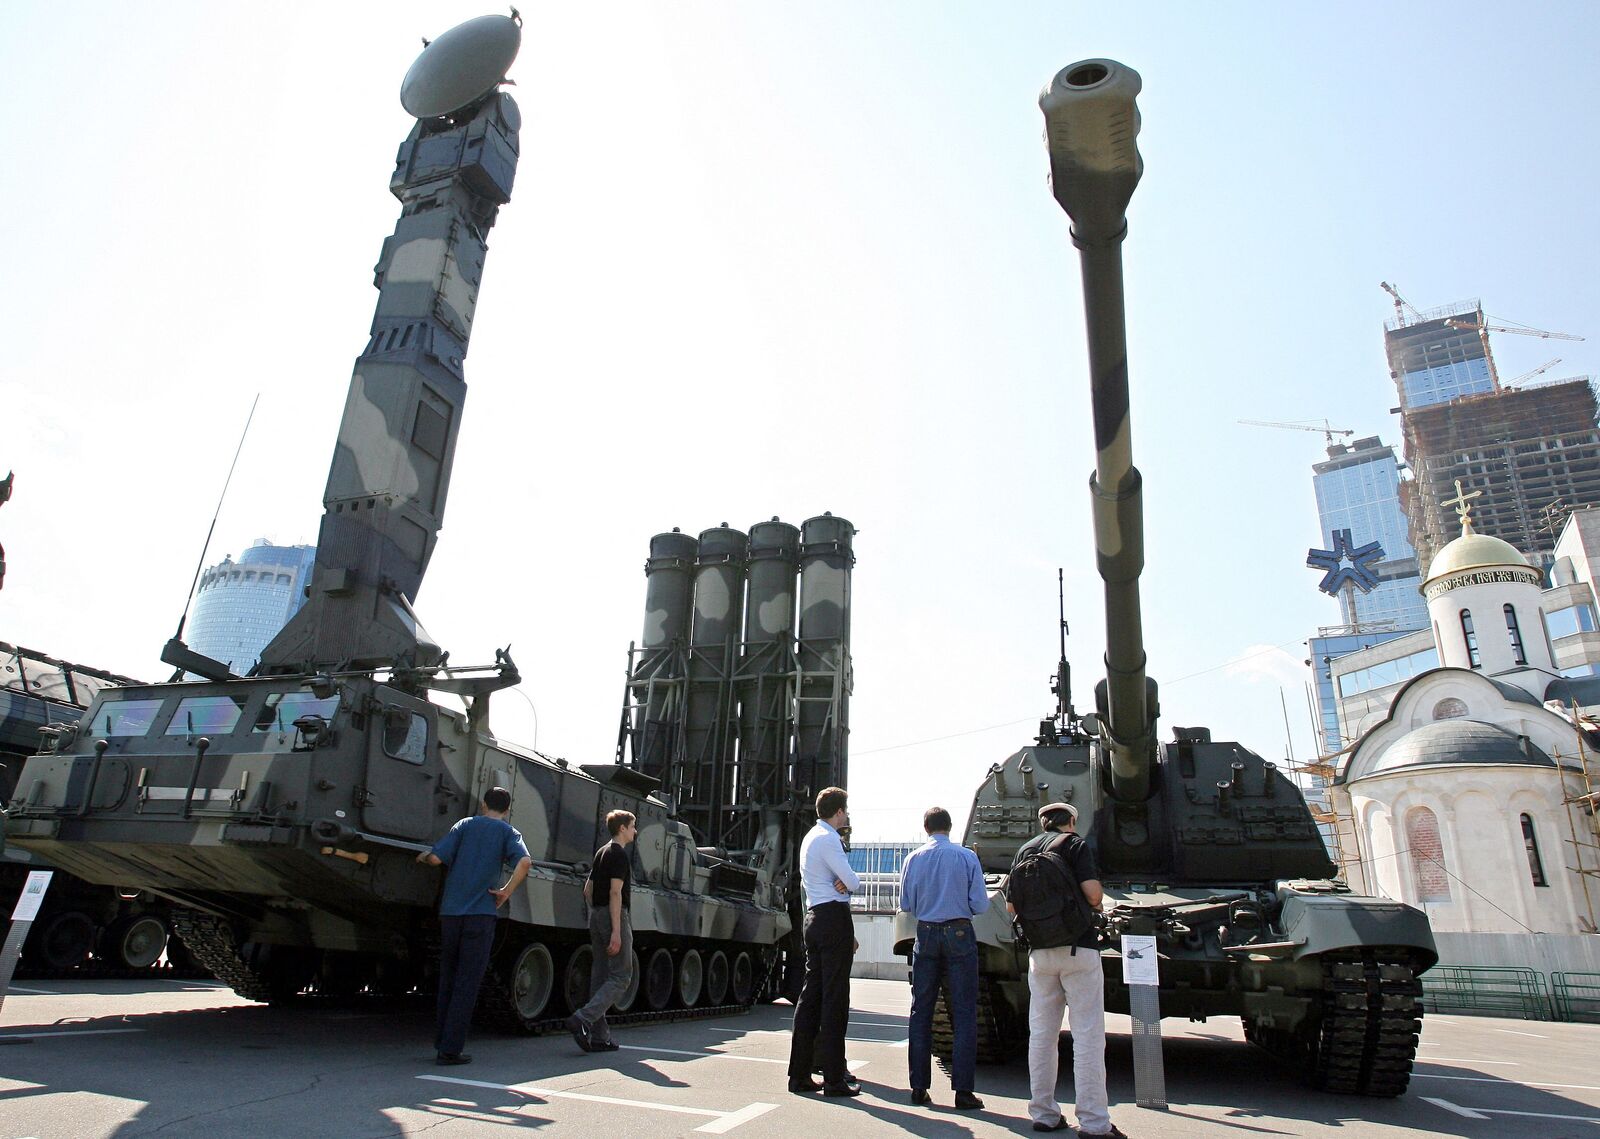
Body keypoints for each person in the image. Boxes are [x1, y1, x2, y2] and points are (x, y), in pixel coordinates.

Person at [1007, 802, 1124, 1137]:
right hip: (1078, 949)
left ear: (1044, 823)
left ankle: (1043, 1113)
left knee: (1042, 1035)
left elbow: (1012, 905)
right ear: (1071, 821)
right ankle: (1094, 1123)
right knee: (1087, 1035)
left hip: (1039, 954)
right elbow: (1092, 894)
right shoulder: (1075, 845)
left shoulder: (1025, 849)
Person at [416, 787, 531, 1066]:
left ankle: (441, 1041)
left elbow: (436, 858)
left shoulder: (465, 824)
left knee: (449, 977)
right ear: (507, 809)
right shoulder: (508, 833)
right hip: (480, 914)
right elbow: (525, 862)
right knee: (468, 981)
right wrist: (505, 891)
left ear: (483, 804)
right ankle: (451, 1049)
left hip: (452, 912)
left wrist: (422, 857)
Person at [899, 806, 989, 1110]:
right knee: (963, 1013)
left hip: (925, 933)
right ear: (950, 827)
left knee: (920, 1011)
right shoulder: (967, 857)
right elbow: (980, 904)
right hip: (960, 933)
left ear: (926, 828)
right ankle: (963, 1091)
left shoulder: (913, 859)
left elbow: (906, 904)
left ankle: (918, 1087)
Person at [786, 786, 862, 1097]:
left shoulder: (809, 838)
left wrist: (843, 882)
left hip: (813, 918)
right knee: (835, 1000)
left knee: (810, 1000)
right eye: (845, 810)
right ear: (839, 811)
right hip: (833, 919)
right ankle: (834, 1078)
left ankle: (800, 1075)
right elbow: (853, 882)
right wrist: (846, 883)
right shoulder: (830, 839)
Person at [565, 810, 638, 1053]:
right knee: (621, 976)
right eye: (632, 827)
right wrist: (616, 929)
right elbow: (615, 892)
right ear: (622, 829)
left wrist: (597, 914)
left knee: (600, 975)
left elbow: (588, 889)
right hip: (613, 915)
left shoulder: (601, 852)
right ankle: (582, 1019)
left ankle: (600, 1036)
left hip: (597, 914)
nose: (635, 831)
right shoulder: (619, 855)